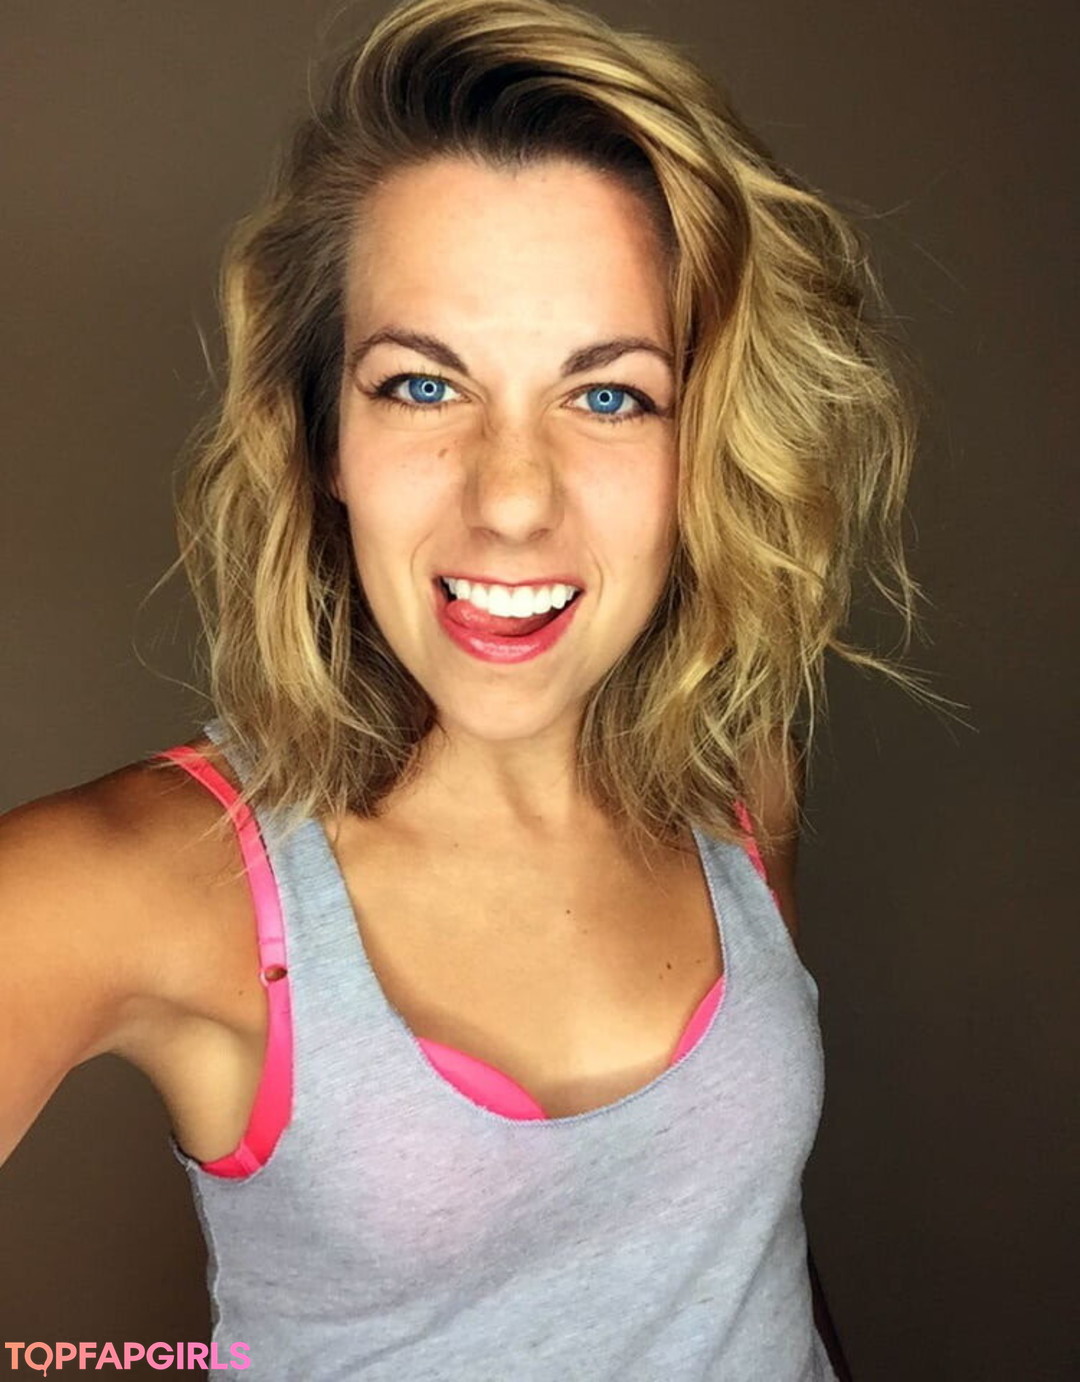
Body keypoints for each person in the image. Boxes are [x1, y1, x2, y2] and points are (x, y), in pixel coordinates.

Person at [1, 0, 935, 1375]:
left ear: (703, 446)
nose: (511, 500)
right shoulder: (137, 884)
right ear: (322, 434)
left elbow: (744, 1257)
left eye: (610, 396)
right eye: (423, 387)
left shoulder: (737, 774)